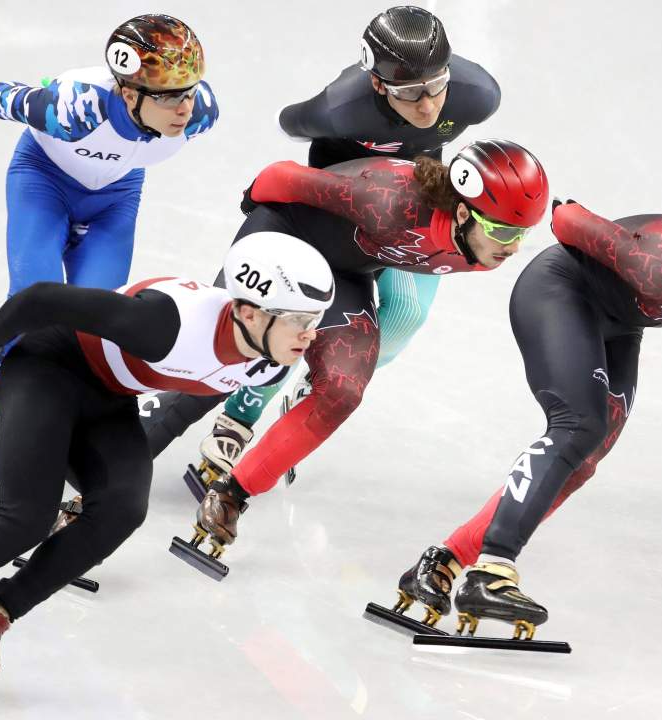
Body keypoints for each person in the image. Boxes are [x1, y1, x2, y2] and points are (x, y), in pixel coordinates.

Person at [0, 233, 333, 711]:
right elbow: (40, 298)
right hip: (48, 364)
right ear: (246, 311)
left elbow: (182, 400)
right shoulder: (165, 322)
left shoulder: (268, 358)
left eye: (316, 320)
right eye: (300, 320)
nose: (310, 335)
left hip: (111, 397)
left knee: (123, 509)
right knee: (25, 518)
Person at [387, 188, 662, 640]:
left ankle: (443, 561)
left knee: (583, 459)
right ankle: (493, 571)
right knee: (579, 425)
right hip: (561, 290)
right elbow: (566, 219)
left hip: (621, 321)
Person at [149, 139, 549, 562]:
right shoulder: (389, 202)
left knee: (342, 391)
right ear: (465, 213)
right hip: (285, 237)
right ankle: (111, 456)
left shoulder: (480, 249)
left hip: (343, 270)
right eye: (504, 231)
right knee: (230, 360)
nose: (513, 246)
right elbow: (277, 177)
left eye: (523, 232)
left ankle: (230, 495)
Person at [0, 14, 219, 506]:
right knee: (33, 310)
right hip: (44, 183)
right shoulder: (74, 106)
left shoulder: (204, 112)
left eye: (189, 91)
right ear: (127, 93)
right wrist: (36, 97)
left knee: (91, 328)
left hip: (114, 201)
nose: (184, 108)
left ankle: (60, 426)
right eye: (168, 96)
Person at [198, 4, 501, 485]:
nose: (426, 106)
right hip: (342, 213)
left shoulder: (477, 94)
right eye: (407, 92)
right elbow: (288, 124)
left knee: (405, 316)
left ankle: (315, 385)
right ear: (377, 84)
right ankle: (240, 411)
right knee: (297, 317)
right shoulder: (341, 106)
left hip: (415, 212)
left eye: (435, 85)